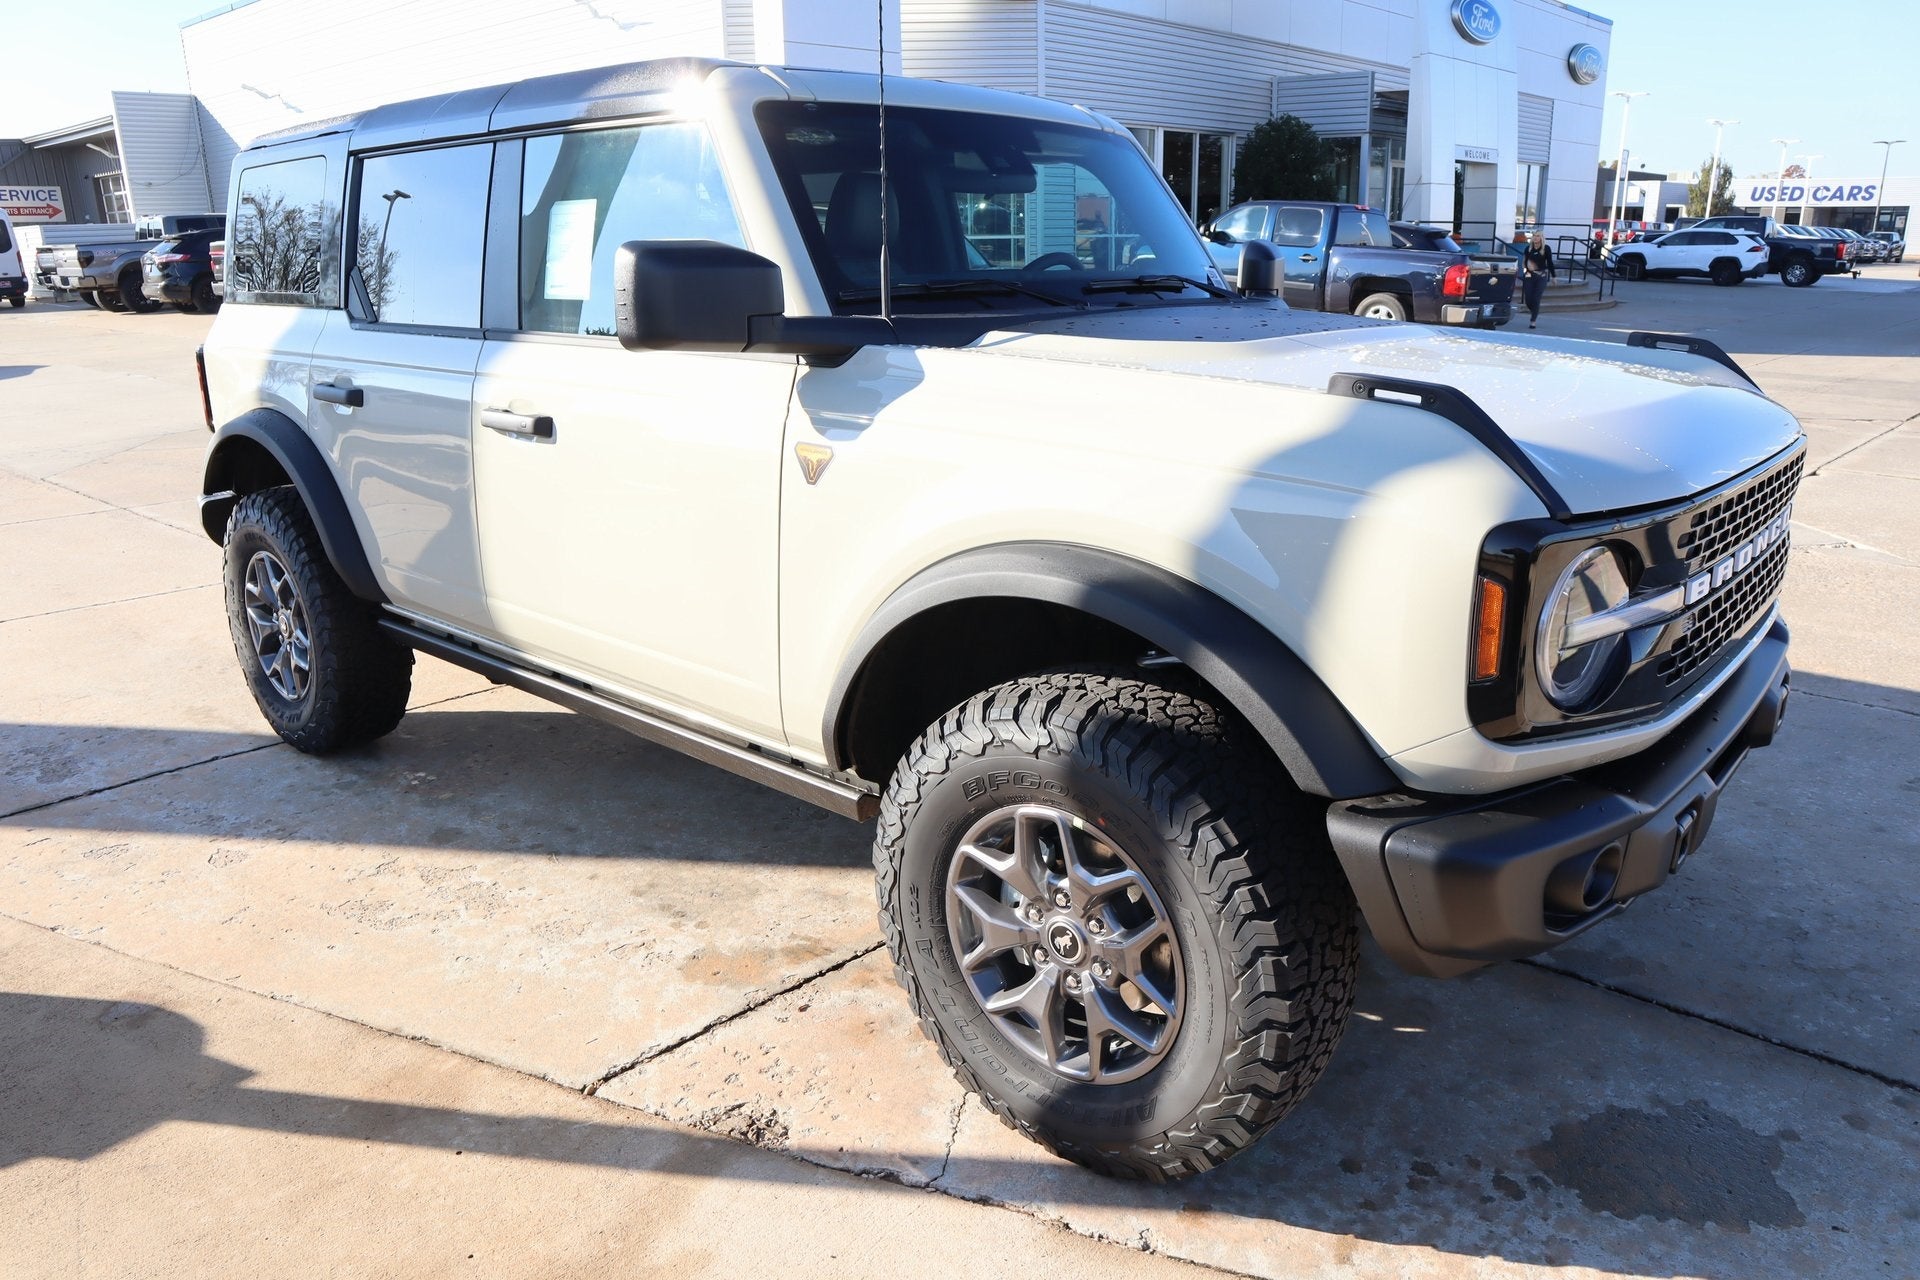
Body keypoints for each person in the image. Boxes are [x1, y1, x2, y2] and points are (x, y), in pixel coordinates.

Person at [1521, 231, 1554, 328]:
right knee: (1528, 299)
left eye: (1538, 236)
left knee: (1536, 298)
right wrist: (1524, 270)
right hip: (1529, 276)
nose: (1535, 238)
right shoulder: (1528, 248)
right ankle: (1535, 310)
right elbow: (1524, 262)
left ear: (1541, 238)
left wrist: (1553, 276)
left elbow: (1550, 263)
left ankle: (1533, 320)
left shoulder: (1546, 248)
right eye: (1534, 236)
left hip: (1541, 276)